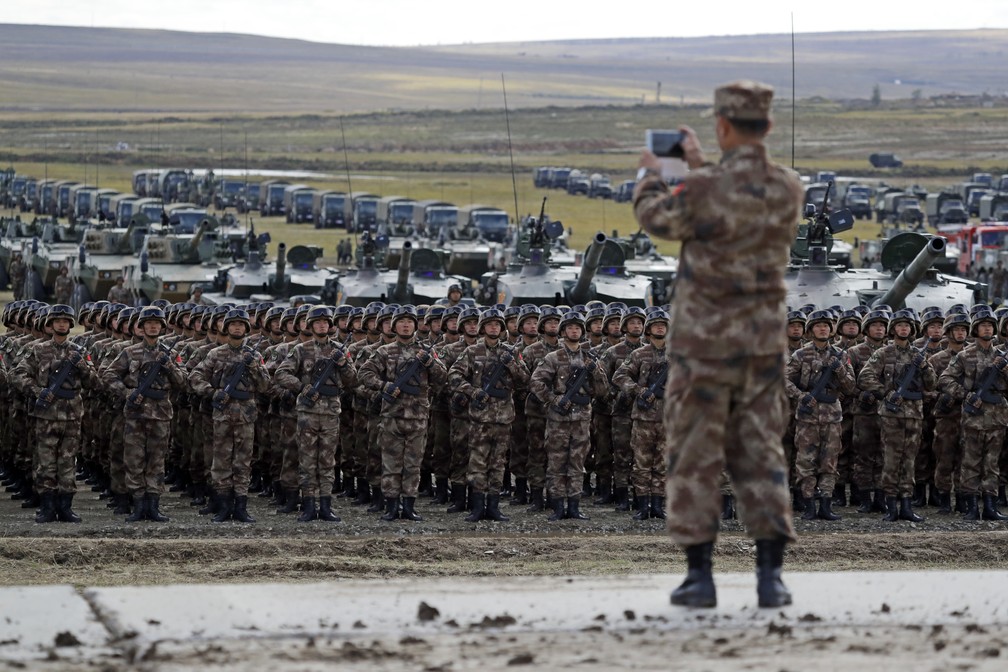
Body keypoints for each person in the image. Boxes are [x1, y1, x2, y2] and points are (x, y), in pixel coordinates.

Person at [633, 80, 802, 608]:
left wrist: (651, 175)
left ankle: (700, 577)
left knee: (695, 454)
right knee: (761, 450)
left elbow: (658, 217)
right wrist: (702, 166)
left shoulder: (701, 190)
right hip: (763, 345)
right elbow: (733, 195)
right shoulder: (789, 187)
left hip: (703, 347)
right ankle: (770, 577)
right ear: (768, 127)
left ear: (722, 126)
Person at [11, 305, 101, 523]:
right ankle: (47, 507)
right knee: (46, 462)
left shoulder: (79, 352)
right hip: (46, 416)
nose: (61, 324)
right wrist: (37, 391)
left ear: (71, 325)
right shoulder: (38, 350)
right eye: (57, 321)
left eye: (65, 321)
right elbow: (17, 374)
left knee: (68, 462)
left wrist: (83, 367)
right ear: (50, 325)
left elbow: (95, 383)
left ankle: (66, 507)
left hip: (71, 415)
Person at [358, 305, 447, 521]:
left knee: (413, 464)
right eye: (401, 322)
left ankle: (409, 506)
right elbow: (363, 373)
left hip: (417, 417)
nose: (406, 325)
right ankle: (391, 506)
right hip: (392, 416)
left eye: (409, 322)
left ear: (415, 326)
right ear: (394, 326)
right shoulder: (384, 351)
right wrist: (383, 386)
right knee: (390, 462)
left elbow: (443, 377)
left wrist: (431, 364)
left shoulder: (425, 351)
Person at [102, 306, 187, 522]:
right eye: (148, 323)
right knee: (134, 460)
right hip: (135, 415)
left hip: (160, 415)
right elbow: (109, 375)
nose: (152, 326)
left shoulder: (171, 354)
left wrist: (170, 367)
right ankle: (138, 506)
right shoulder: (129, 352)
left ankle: (154, 506)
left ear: (162, 327)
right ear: (141, 326)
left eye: (156, 323)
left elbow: (183, 382)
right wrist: (127, 392)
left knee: (157, 462)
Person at [273, 306, 358, 522]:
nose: (322, 325)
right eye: (317, 322)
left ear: (330, 326)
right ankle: (309, 505)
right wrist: (302, 386)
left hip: (330, 413)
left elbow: (353, 380)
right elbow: (281, 373)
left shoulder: (339, 350)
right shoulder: (301, 350)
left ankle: (326, 505)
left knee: (327, 461)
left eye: (325, 322)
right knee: (307, 460)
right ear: (310, 326)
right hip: (307, 413)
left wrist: (343, 364)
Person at [448, 308, 530, 522]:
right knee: (477, 462)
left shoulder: (511, 352)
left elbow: (525, 380)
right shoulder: (472, 352)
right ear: (483, 328)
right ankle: (477, 507)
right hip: (479, 418)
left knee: (498, 463)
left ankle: (493, 507)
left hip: (504, 418)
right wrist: (472, 391)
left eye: (497, 325)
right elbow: (454, 375)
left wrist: (511, 363)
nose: (493, 328)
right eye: (489, 324)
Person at [189, 308, 270, 523]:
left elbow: (265, 385)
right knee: (222, 460)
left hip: (245, 414)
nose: (237, 327)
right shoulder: (216, 354)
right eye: (233, 324)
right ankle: (223, 506)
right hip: (222, 415)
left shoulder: (255, 355)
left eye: (241, 324)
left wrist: (254, 367)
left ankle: (241, 506)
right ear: (226, 327)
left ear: (246, 328)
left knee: (243, 461)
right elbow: (196, 376)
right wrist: (212, 392)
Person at [529, 311, 608, 522]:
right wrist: (554, 399)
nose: (574, 331)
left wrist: (596, 372)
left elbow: (602, 391)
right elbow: (536, 383)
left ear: (582, 332)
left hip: (581, 420)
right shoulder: (552, 357)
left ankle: (574, 506)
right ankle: (557, 506)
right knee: (556, 462)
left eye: (578, 328)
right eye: (570, 328)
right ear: (564, 332)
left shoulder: (590, 359)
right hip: (558, 420)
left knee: (577, 463)